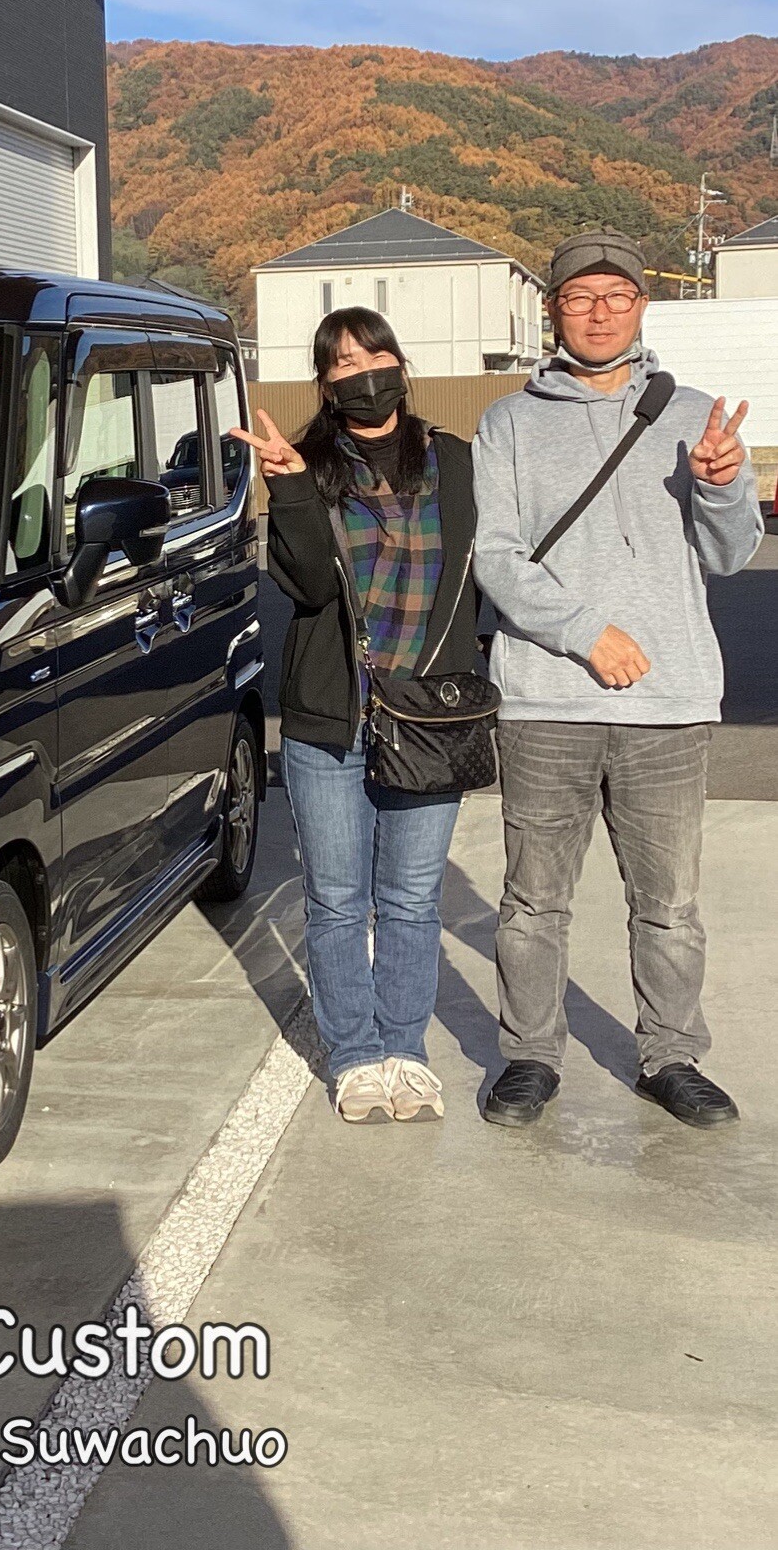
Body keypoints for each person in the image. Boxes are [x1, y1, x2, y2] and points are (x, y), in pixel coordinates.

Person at [472, 229, 763, 1129]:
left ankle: (670, 1057)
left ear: (640, 307)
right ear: (551, 311)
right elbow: (495, 555)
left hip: (669, 701)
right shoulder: (508, 422)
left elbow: (730, 553)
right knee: (532, 901)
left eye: (616, 296)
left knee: (668, 905)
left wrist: (722, 485)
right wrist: (586, 634)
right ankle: (529, 1056)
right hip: (543, 699)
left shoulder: (694, 414)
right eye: (578, 297)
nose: (597, 313)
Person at [234, 309, 481, 1125]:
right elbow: (307, 584)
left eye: (374, 354)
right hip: (329, 717)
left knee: (410, 900)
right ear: (324, 383)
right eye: (342, 363)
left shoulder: (455, 461)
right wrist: (287, 484)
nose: (362, 371)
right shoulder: (305, 466)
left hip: (428, 716)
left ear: (400, 366)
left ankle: (404, 1051)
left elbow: (492, 572)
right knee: (337, 901)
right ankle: (352, 1056)